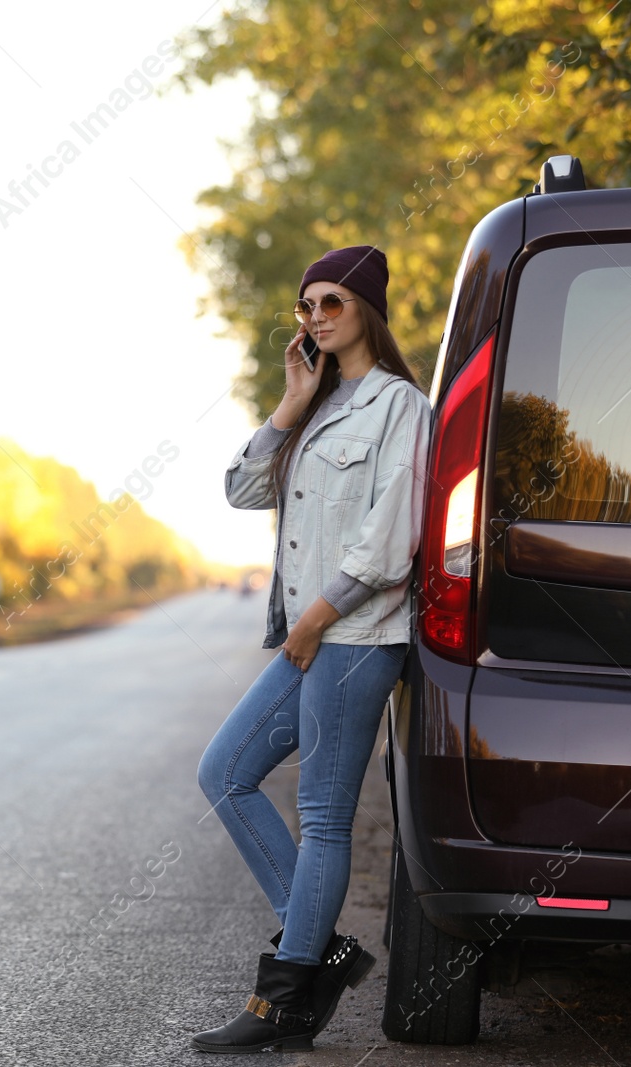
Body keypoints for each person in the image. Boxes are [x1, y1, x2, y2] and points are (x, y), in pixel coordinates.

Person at [192, 245, 432, 1053]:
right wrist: (291, 402)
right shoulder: (322, 406)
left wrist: (316, 616)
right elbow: (240, 489)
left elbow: (390, 538)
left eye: (331, 302)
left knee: (326, 816)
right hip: (311, 638)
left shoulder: (401, 406)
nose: (316, 317)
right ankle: (319, 952)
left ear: (366, 307)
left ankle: (286, 1000)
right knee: (224, 772)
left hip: (357, 637)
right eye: (306, 307)